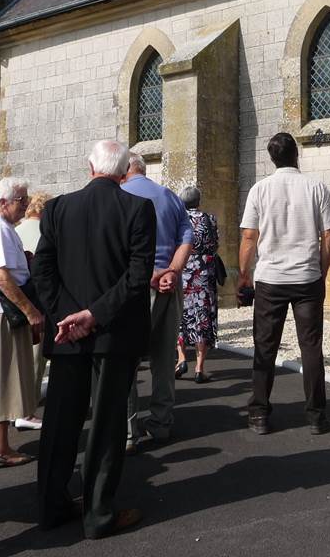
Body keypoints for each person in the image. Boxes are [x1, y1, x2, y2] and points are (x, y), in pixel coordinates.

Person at [32, 140, 155, 537]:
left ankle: (51, 507)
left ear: (90, 167)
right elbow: (137, 277)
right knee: (106, 425)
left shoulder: (57, 208)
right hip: (113, 334)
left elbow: (43, 272)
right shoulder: (138, 209)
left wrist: (69, 316)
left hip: (67, 334)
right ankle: (98, 514)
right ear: (123, 173)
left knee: (60, 423)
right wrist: (93, 315)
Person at [238, 132, 330, 435]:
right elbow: (329, 236)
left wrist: (244, 275)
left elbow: (248, 238)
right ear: (296, 154)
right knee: (311, 346)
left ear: (272, 158)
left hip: (270, 278)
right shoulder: (316, 187)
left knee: (264, 347)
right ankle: (317, 415)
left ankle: (259, 413)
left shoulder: (259, 189)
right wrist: (321, 270)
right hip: (307, 277)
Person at [122, 155, 193, 447]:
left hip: (136, 287)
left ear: (125, 170)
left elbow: (120, 246)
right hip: (170, 285)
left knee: (125, 359)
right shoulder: (170, 196)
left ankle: (128, 431)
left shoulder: (121, 195)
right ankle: (161, 424)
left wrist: (152, 274)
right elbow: (186, 238)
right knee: (164, 359)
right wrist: (172, 272)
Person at [0, 177, 43, 468]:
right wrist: (30, 311)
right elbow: (1, 276)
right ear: (4, 202)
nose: (26, 206)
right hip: (2, 312)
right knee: (4, 378)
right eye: (21, 201)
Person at [175, 186, 220, 384]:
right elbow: (215, 244)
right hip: (203, 274)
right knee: (202, 318)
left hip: (182, 273)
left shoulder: (178, 219)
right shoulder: (210, 219)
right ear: (198, 201)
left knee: (180, 315)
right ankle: (199, 368)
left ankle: (181, 358)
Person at [15, 191, 52, 430]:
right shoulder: (45, 232)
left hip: (14, 301)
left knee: (17, 358)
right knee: (36, 357)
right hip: (38, 299)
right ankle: (27, 408)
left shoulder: (15, 230)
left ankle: (14, 406)